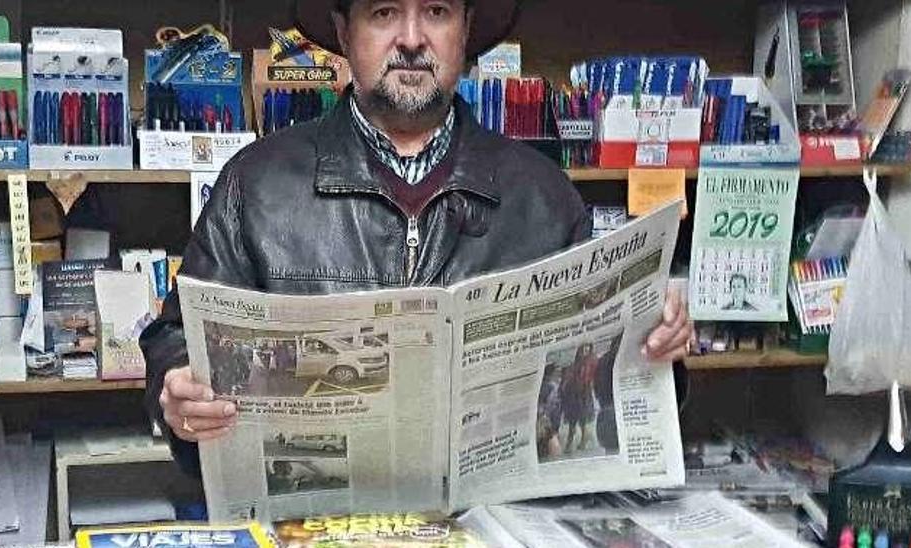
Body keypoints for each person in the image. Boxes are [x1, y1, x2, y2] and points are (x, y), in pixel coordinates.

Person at [141, 0, 695, 476]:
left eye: (436, 11)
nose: (411, 39)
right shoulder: (255, 184)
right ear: (343, 32)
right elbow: (179, 337)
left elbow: (601, 388)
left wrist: (658, 346)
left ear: (465, 27)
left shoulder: (544, 196)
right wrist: (178, 384)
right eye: (384, 12)